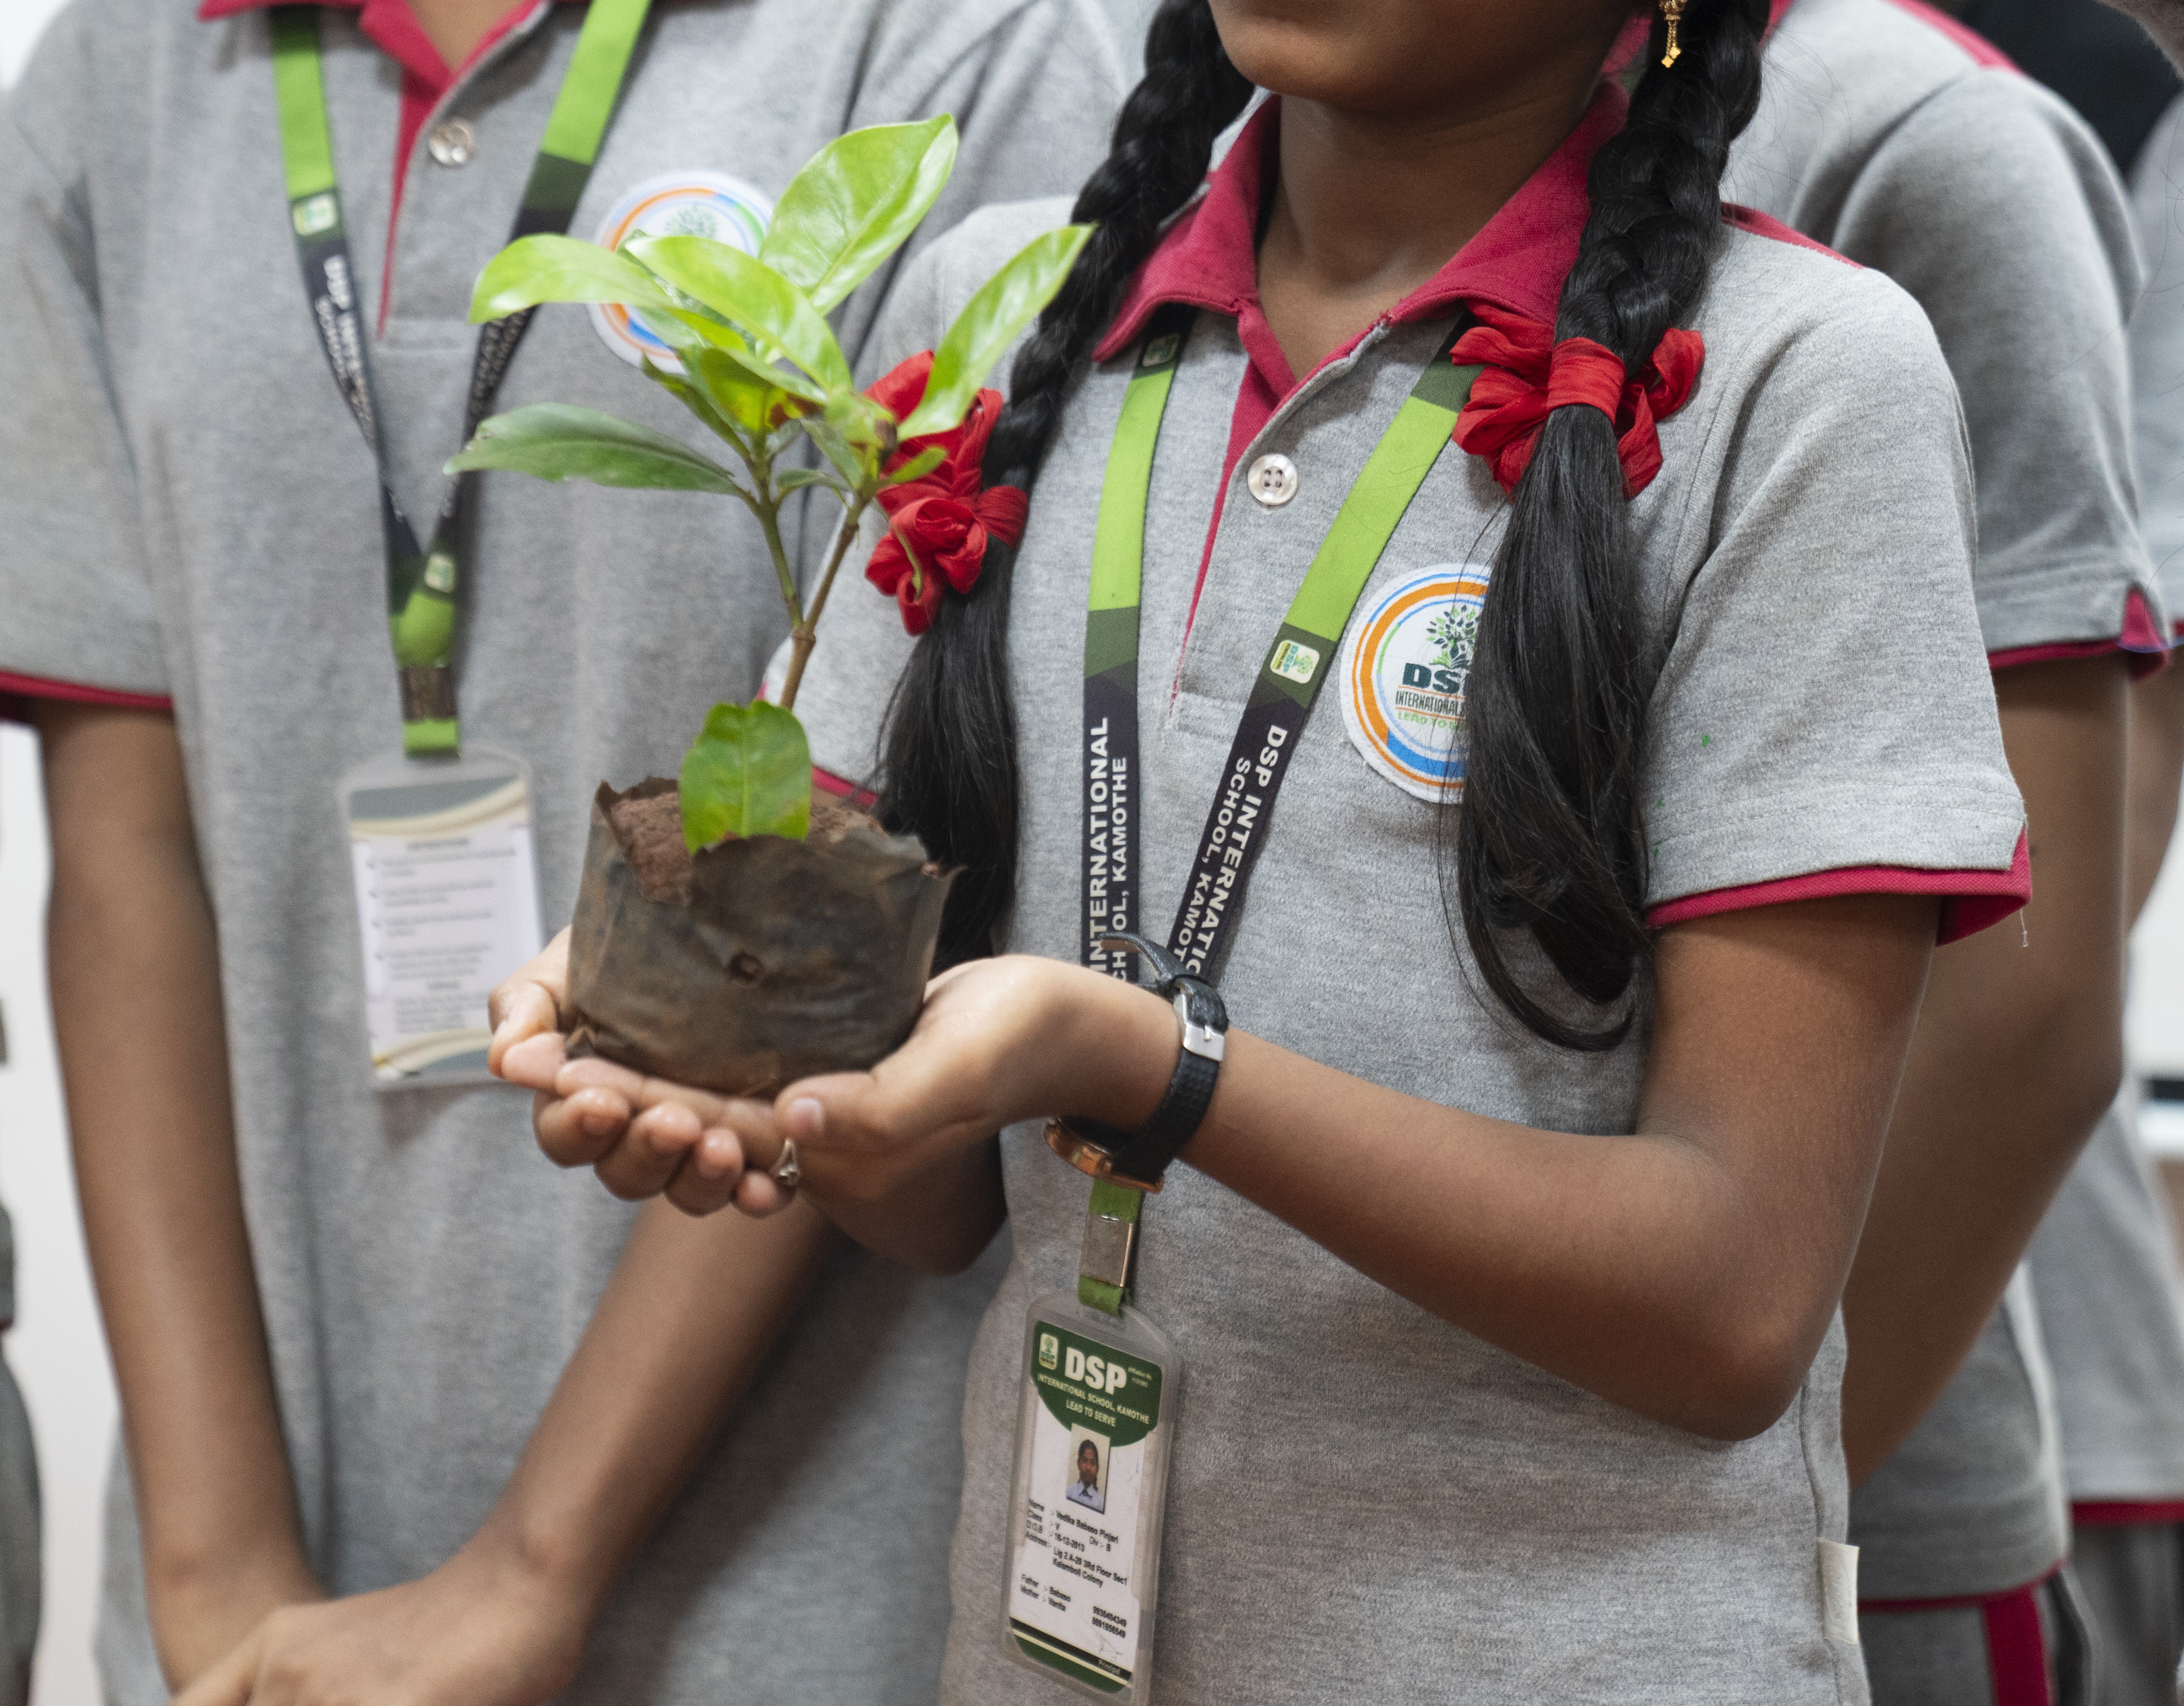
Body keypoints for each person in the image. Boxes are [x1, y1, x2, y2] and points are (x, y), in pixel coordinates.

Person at [495, 0, 2043, 1697]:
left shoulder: (1797, 379)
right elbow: (940, 1208)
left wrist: (1152, 1067)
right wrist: (752, 1063)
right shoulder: (1016, 311)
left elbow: (1732, 1299)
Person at [0, 0, 1125, 1701]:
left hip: (794, 1606)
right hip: (261, 1593)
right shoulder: (125, 72)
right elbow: (125, 842)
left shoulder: (965, 42)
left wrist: (537, 1565)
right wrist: (211, 1578)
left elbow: (893, 812)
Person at [1721, 1, 2161, 1696]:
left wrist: (1697, 1528)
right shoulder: (1294, 142)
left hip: (1837, 1525)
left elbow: (2032, 1001)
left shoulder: (1912, 135)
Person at [1067, 1440, 1106, 1514]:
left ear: (1097, 1468)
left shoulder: (1101, 1503)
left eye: (1093, 1463)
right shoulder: (1069, 1493)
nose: (1088, 1468)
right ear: (1079, 1463)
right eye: (1085, 1461)